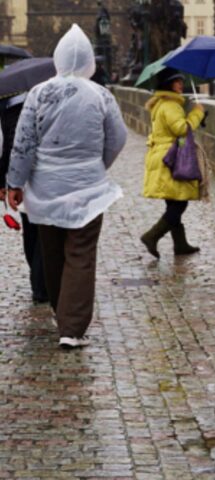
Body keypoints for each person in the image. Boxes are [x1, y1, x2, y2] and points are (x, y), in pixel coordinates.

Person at [7, 24, 127, 349]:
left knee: (52, 252)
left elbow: (24, 142)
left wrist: (14, 182)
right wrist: (97, 164)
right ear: (90, 61)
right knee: (81, 254)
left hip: (45, 187)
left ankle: (61, 313)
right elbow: (118, 138)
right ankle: (71, 328)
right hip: (86, 187)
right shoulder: (100, 94)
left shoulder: (38, 93)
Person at [139, 67, 205, 258]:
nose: (181, 84)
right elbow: (182, 129)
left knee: (173, 202)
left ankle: (180, 244)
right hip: (171, 159)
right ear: (168, 84)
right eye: (177, 81)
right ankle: (152, 236)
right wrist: (197, 114)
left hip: (162, 155)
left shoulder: (161, 103)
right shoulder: (170, 105)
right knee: (179, 204)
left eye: (181, 81)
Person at [1, 91, 48, 303]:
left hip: (22, 180)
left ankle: (37, 280)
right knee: (44, 235)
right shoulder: (48, 106)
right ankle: (41, 285)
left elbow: (8, 148)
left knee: (30, 231)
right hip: (44, 177)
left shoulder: (9, 110)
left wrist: (9, 183)